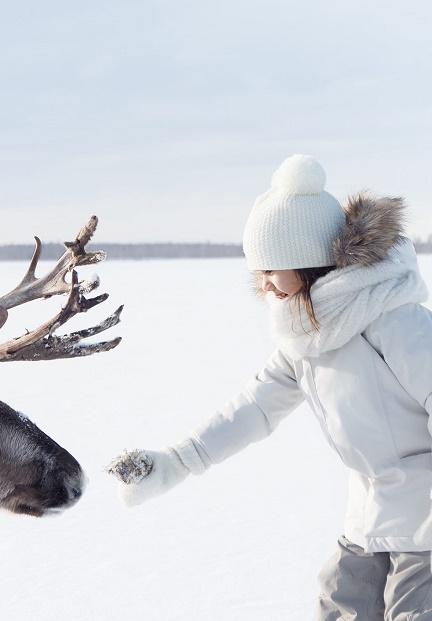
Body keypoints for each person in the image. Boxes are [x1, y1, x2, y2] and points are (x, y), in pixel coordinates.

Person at [107, 154, 432, 620]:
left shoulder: (393, 319)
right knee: (340, 604)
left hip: (424, 515)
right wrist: (176, 462)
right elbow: (254, 409)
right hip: (368, 513)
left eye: (271, 270)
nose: (265, 286)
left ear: (308, 263)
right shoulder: (304, 338)